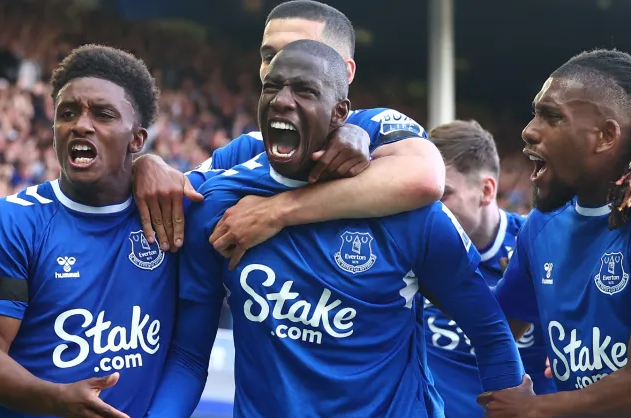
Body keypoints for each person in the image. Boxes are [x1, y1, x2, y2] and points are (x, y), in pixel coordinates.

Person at [138, 39, 529, 418]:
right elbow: (189, 356)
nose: (281, 100)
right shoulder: (218, 205)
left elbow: (490, 332)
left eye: (305, 91)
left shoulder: (410, 215)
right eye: (271, 87)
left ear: (341, 113)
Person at [0, 44, 188, 418]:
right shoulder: (10, 222)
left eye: (103, 114)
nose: (81, 124)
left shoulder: (170, 215)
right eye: (67, 113)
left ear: (137, 139)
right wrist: (59, 400)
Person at [132, 0, 445, 266]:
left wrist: (276, 211)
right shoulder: (247, 148)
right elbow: (182, 193)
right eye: (268, 56)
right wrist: (146, 165)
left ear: (346, 72)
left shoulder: (376, 127)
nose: (278, 66)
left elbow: (425, 178)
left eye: (301, 50)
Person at [482, 49, 631, 418]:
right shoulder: (542, 225)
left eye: (551, 116)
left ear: (606, 136)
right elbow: (497, 324)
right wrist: (429, 245)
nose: (528, 130)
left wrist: (531, 410)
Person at [425, 121, 556, 418]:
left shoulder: (540, 247)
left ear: (486, 191)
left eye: (442, 195)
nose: (428, 210)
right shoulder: (414, 252)